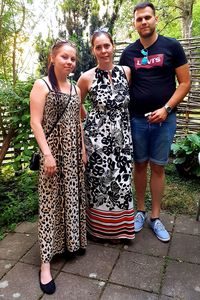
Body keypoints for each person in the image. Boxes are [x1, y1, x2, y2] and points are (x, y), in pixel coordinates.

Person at [119, 2, 190, 242]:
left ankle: (155, 217)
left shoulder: (172, 46)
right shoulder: (128, 53)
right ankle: (140, 212)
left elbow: (185, 83)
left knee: (158, 167)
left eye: (147, 17)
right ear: (135, 23)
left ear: (156, 19)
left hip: (164, 120)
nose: (144, 22)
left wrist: (167, 108)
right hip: (137, 119)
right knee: (139, 165)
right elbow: (123, 88)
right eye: (139, 19)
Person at [30, 40, 87, 294]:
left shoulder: (75, 89)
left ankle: (69, 244)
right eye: (64, 57)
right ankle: (45, 265)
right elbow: (36, 122)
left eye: (73, 59)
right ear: (53, 58)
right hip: (52, 154)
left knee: (72, 199)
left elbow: (77, 121)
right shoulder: (42, 85)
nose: (69, 62)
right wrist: (47, 154)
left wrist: (83, 148)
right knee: (50, 203)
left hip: (74, 153)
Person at [77, 28, 135, 243]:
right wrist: (91, 117)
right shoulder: (86, 77)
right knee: (99, 183)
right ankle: (99, 231)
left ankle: (122, 231)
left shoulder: (126, 72)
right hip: (97, 142)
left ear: (113, 46)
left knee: (121, 182)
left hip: (123, 139)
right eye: (98, 47)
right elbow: (76, 104)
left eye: (106, 46)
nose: (103, 51)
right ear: (93, 50)